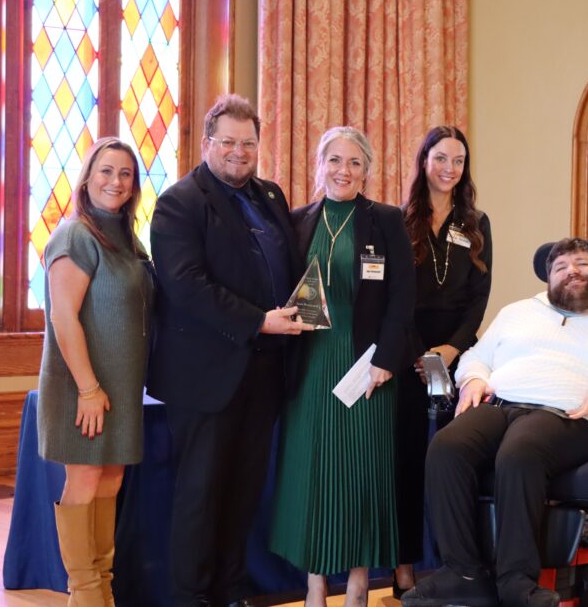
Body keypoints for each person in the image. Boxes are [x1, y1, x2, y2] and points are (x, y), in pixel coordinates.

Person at [402, 237, 588, 607]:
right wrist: (472, 377)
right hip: (503, 404)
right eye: (561, 267)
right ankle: (463, 572)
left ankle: (517, 582)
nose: (572, 272)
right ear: (548, 279)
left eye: (582, 264)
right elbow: (478, 357)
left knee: (521, 451)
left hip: (574, 417)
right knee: (446, 447)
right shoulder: (519, 312)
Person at [148, 94, 312, 607]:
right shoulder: (180, 202)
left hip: (265, 371)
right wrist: (257, 320)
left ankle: (230, 590)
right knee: (201, 493)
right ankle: (192, 597)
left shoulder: (270, 195)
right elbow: (185, 284)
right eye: (228, 143)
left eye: (248, 143)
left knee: (243, 492)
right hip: (206, 375)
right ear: (206, 144)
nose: (239, 152)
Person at [269, 126, 416, 607]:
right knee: (312, 472)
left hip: (367, 367)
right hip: (311, 364)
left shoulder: (386, 221)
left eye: (354, 162)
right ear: (319, 164)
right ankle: (314, 585)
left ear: (368, 170)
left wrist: (387, 361)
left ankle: (356, 584)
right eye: (334, 160)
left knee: (361, 474)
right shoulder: (297, 221)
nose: (343, 171)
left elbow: (402, 298)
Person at [37, 137, 155, 607]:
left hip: (120, 388)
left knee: (111, 481)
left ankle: (101, 591)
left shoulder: (128, 238)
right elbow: (62, 317)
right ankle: (83, 596)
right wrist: (88, 388)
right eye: (107, 171)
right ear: (88, 178)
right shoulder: (73, 235)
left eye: (126, 174)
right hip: (83, 385)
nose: (116, 181)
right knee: (85, 479)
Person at [393, 126, 492, 597]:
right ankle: (405, 565)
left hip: (457, 356)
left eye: (458, 160)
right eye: (440, 158)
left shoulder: (476, 223)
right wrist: (418, 352)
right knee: (408, 462)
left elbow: (478, 299)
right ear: (424, 161)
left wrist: (452, 349)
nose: (449, 168)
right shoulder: (400, 219)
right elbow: (397, 297)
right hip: (409, 356)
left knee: (458, 461)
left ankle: (461, 563)